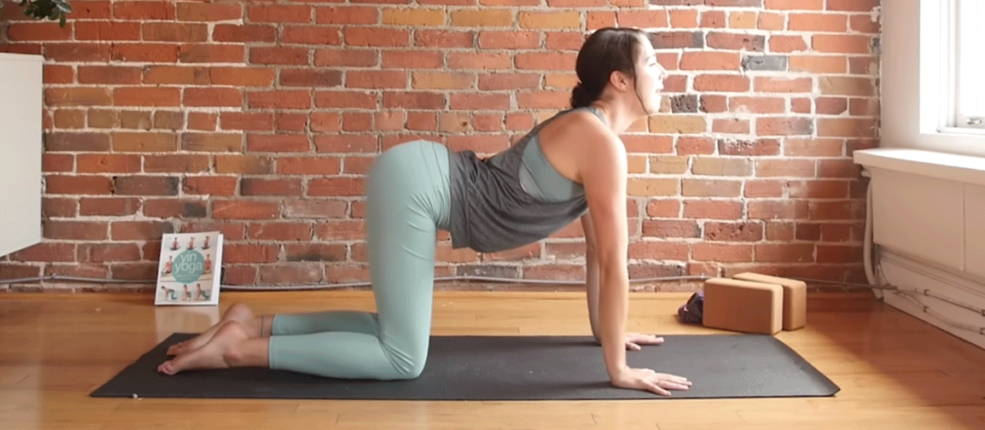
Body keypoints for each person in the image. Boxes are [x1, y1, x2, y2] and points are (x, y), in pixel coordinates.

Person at [159, 27, 691, 397]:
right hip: (418, 187)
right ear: (619, 79)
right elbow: (617, 262)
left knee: (393, 330)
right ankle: (237, 352)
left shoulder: (594, 136)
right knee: (401, 358)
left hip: (419, 176)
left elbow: (598, 251)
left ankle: (254, 323)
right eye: (652, 63)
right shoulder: (599, 140)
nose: (663, 73)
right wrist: (617, 370)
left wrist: (606, 335)